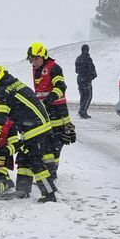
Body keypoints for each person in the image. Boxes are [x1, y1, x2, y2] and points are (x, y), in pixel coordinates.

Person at [0, 66, 58, 202]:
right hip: (35, 126)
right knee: (24, 158)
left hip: (34, 129)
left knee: (36, 162)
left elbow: (0, 119)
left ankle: (49, 194)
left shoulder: (3, 92)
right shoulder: (14, 85)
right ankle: (22, 190)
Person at [26, 42, 74, 180]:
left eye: (35, 59)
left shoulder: (54, 68)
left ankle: (52, 173)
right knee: (45, 143)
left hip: (58, 110)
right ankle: (49, 171)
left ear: (43, 56)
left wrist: (50, 98)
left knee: (56, 143)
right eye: (31, 60)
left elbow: (61, 86)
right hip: (44, 111)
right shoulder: (36, 69)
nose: (33, 63)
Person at [75, 44, 97, 118]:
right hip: (86, 79)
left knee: (83, 96)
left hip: (80, 79)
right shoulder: (87, 58)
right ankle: (82, 112)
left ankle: (82, 111)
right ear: (87, 50)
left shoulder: (78, 58)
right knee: (88, 96)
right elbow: (92, 69)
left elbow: (76, 70)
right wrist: (91, 76)